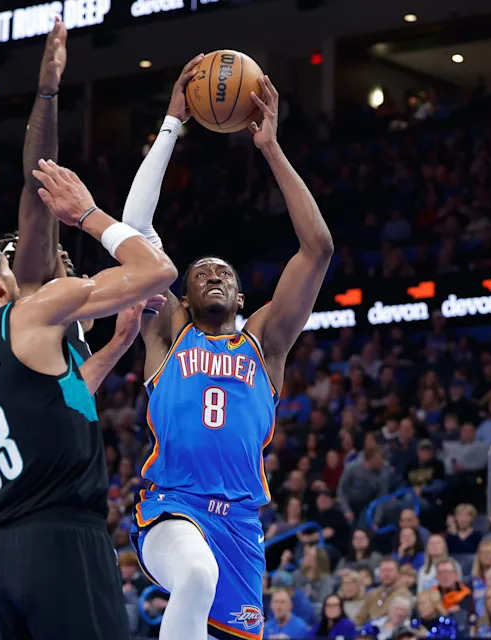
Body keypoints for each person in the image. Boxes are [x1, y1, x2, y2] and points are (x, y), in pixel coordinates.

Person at [0, 120, 175, 640]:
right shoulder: (29, 316)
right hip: (60, 538)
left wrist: (114, 345)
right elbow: (158, 270)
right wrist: (87, 214)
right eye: (7, 263)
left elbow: (59, 401)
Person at [124, 60, 334, 640]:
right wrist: (172, 120)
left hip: (241, 521)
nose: (212, 275)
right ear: (182, 296)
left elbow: (317, 248)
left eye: (224, 272)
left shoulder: (265, 342)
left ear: (242, 294)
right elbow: (136, 226)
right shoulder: (167, 332)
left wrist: (270, 149)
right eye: (199, 273)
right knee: (194, 574)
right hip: (172, 506)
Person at [354, 558, 412, 625]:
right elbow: (360, 618)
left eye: (390, 570)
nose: (386, 574)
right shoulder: (373, 593)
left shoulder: (404, 594)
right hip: (368, 631)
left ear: (398, 573)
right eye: (383, 570)